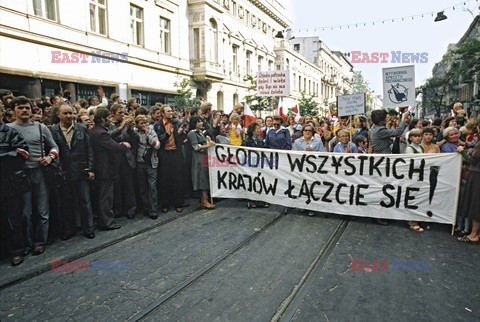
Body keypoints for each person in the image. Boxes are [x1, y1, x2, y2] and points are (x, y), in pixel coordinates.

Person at [8, 96, 59, 256]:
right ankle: (27, 244)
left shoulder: (40, 127)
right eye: (20, 108)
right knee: (25, 213)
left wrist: (50, 157)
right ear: (14, 110)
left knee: (42, 210)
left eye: (27, 108)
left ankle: (40, 243)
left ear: (32, 110)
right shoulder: (7, 128)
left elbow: (54, 146)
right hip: (19, 176)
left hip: (40, 173)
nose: (24, 110)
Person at [50, 104, 96, 239]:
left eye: (71, 113)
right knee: (66, 202)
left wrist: (90, 168)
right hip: (64, 172)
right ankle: (69, 230)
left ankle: (88, 229)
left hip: (81, 170)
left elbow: (90, 150)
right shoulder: (53, 131)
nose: (69, 116)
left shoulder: (81, 128)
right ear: (58, 114)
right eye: (65, 113)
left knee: (85, 202)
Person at [89, 108, 130, 230]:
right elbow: (114, 147)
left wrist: (120, 128)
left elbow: (109, 135)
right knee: (106, 197)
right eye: (109, 117)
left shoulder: (93, 130)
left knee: (103, 196)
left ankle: (104, 220)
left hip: (100, 169)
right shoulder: (101, 133)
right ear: (103, 118)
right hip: (105, 170)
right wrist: (124, 145)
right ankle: (107, 222)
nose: (111, 119)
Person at [0, 103, 29, 265]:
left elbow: (22, 153)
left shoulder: (10, 132)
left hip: (8, 183)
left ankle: (18, 250)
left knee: (13, 218)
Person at [154, 105, 187, 213]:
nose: (171, 113)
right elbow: (158, 139)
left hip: (175, 153)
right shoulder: (158, 125)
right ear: (163, 113)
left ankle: (178, 203)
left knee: (177, 179)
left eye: (172, 111)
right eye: (168, 111)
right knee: (164, 180)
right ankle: (165, 204)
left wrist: (180, 133)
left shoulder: (177, 123)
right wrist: (168, 134)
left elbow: (181, 140)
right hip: (164, 154)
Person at [108, 104, 138, 219]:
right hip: (115, 159)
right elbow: (108, 137)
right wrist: (120, 128)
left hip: (127, 158)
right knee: (117, 185)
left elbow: (136, 138)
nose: (122, 115)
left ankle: (131, 209)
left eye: (124, 113)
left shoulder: (127, 126)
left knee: (129, 185)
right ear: (113, 113)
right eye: (120, 113)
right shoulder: (110, 125)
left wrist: (130, 128)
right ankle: (117, 209)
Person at [457, 118, 480, 243]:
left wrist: (462, 152)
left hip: (477, 174)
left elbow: (472, 159)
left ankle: (474, 234)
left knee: (475, 204)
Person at [134, 115, 160, 219]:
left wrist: (149, 136)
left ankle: (154, 210)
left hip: (151, 163)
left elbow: (157, 145)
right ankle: (146, 207)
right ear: (137, 125)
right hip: (140, 163)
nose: (144, 125)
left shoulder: (151, 131)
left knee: (152, 187)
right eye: (141, 123)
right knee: (142, 187)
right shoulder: (135, 132)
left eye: (145, 123)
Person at [187, 116, 215, 209]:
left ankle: (204, 199)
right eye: (199, 122)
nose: (201, 123)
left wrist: (207, 140)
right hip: (198, 158)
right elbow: (196, 147)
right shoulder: (192, 133)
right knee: (202, 179)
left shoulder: (200, 132)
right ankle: (204, 200)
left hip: (204, 157)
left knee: (205, 177)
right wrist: (208, 145)